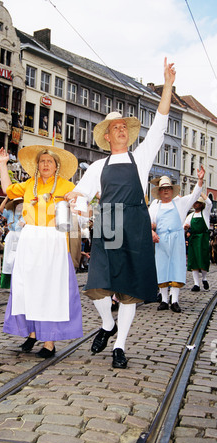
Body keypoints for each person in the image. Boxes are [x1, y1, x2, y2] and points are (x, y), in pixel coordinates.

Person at [64, 58, 176, 369]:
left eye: (124, 127)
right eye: (116, 128)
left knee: (128, 289)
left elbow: (161, 122)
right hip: (110, 219)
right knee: (98, 282)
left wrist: (167, 86)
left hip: (136, 221)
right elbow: (82, 193)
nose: (122, 131)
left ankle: (120, 345)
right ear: (108, 137)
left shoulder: (141, 157)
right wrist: (73, 197)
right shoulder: (98, 166)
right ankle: (107, 324)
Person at [0, 145, 83, 358]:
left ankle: (49, 342)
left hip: (54, 239)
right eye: (42, 161)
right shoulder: (28, 184)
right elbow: (7, 190)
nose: (45, 164)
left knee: (51, 290)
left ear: (57, 166)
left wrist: (75, 200)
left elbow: (80, 204)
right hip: (30, 239)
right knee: (28, 288)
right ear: (37, 165)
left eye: (49, 161)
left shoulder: (66, 185)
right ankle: (33, 333)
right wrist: (2, 164)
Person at [149, 171, 205, 312]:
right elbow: (148, 223)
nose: (166, 191)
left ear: (172, 191)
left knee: (176, 267)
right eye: (163, 189)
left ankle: (174, 301)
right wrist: (152, 233)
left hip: (177, 239)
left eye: (168, 188)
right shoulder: (155, 206)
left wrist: (200, 180)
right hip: (161, 240)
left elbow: (195, 195)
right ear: (159, 192)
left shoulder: (180, 203)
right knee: (161, 268)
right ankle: (163, 300)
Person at [184, 193, 212, 291]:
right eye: (194, 203)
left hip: (203, 239)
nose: (195, 204)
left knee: (203, 259)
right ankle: (196, 284)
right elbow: (185, 225)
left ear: (201, 204)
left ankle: (204, 279)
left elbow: (209, 203)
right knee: (193, 261)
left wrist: (200, 192)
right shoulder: (190, 215)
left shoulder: (205, 213)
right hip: (193, 240)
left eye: (198, 203)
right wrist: (186, 228)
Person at [0, 196, 24, 289]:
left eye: (20, 203)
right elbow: (0, 210)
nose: (19, 206)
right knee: (9, 259)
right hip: (11, 237)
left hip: (22, 237)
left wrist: (24, 225)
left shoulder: (26, 213)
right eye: (16, 203)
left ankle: (20, 281)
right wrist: (7, 198)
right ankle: (8, 282)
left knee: (20, 258)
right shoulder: (10, 212)